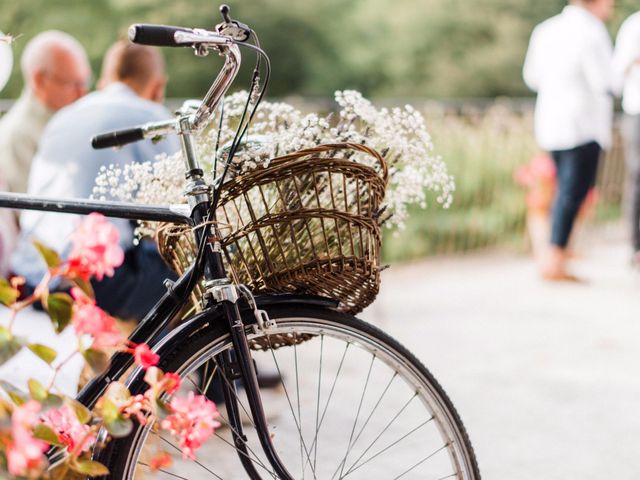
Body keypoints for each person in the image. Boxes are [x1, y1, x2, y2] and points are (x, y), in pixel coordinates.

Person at [11, 39, 180, 321]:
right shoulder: (153, 117)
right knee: (188, 273)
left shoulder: (63, 116)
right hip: (88, 283)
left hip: (32, 271)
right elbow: (179, 205)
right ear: (158, 87)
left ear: (105, 80)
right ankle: (195, 363)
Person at [522, 0, 614, 281]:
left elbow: (532, 77)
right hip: (583, 124)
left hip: (551, 122)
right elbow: (604, 81)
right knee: (573, 193)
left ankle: (556, 252)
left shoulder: (544, 29)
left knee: (562, 191)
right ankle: (555, 260)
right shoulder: (593, 31)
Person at [0, 31, 90, 194]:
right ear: (39, 80)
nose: (82, 93)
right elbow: (27, 210)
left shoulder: (74, 118)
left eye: (85, 82)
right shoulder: (18, 137)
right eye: (73, 83)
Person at [612, 11, 640, 267]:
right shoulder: (633, 26)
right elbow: (616, 75)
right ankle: (636, 247)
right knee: (638, 176)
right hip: (637, 112)